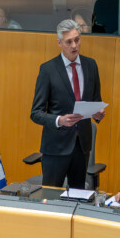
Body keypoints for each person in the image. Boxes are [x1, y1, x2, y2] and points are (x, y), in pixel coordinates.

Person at [30, 19, 105, 188]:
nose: (74, 46)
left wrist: (98, 113)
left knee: (78, 198)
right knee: (51, 198)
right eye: (69, 42)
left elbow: (95, 101)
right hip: (56, 147)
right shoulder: (48, 70)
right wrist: (59, 121)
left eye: (77, 40)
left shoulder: (91, 65)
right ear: (59, 43)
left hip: (82, 146)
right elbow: (36, 113)